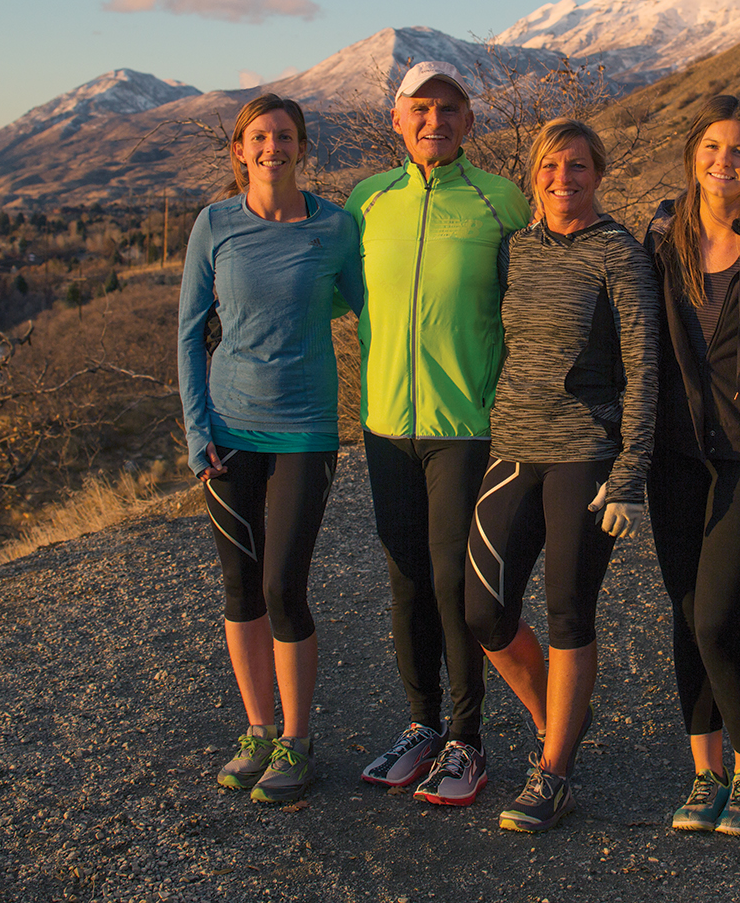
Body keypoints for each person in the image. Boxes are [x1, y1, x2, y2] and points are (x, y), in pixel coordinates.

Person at [463, 118, 659, 833]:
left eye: (577, 166)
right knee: (485, 612)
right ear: (534, 174)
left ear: (597, 173)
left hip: (586, 452)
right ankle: (558, 724)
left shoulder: (620, 256)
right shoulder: (517, 249)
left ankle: (554, 772)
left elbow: (644, 366)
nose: (562, 179)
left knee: (569, 610)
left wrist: (632, 466)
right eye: (551, 166)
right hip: (513, 445)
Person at [346, 62, 530, 807]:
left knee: (456, 582)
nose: (435, 121)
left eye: (450, 109)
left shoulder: (500, 201)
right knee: (406, 579)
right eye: (420, 109)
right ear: (397, 120)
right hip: (386, 426)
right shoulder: (367, 202)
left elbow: (540, 296)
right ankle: (421, 726)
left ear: (469, 122)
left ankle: (467, 741)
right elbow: (323, 289)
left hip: (465, 426)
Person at [177, 93, 363, 804]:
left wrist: (303, 313)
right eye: (260, 137)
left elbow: (358, 298)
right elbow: (191, 331)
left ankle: (296, 738)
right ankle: (257, 728)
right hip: (226, 431)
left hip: (306, 430)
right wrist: (198, 434)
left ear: (302, 147)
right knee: (241, 586)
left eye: (284, 136)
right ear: (239, 149)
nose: (272, 147)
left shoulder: (336, 228)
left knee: (285, 584)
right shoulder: (214, 224)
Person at [644, 95, 740, 837]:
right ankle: (703, 771)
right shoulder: (660, 235)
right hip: (675, 454)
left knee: (717, 619)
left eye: (738, 152)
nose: (723, 164)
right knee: (685, 617)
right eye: (712, 148)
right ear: (692, 153)